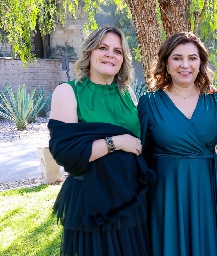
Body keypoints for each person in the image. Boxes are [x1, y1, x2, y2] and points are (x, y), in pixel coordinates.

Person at [48, 25, 155, 255]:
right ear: (89, 52)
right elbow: (65, 153)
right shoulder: (68, 92)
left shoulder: (127, 94)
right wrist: (116, 142)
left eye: (117, 51)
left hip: (130, 198)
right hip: (93, 203)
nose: (110, 54)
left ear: (123, 59)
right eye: (103, 47)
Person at [138, 32, 217, 256]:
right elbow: (139, 157)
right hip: (165, 196)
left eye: (192, 58)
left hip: (203, 193)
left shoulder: (215, 102)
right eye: (177, 58)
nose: (185, 65)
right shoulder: (149, 103)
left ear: (201, 63)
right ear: (166, 63)